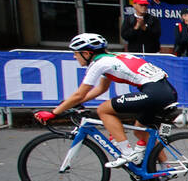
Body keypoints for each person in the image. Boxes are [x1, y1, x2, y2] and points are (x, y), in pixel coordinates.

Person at [33, 33, 178, 167]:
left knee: (103, 110)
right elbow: (100, 89)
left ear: (86, 53)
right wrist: (71, 104)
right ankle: (166, 167)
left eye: (75, 54)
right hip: (165, 91)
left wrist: (54, 113)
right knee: (140, 131)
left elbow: (79, 94)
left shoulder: (99, 64)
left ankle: (128, 153)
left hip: (155, 93)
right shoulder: (110, 59)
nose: (74, 57)